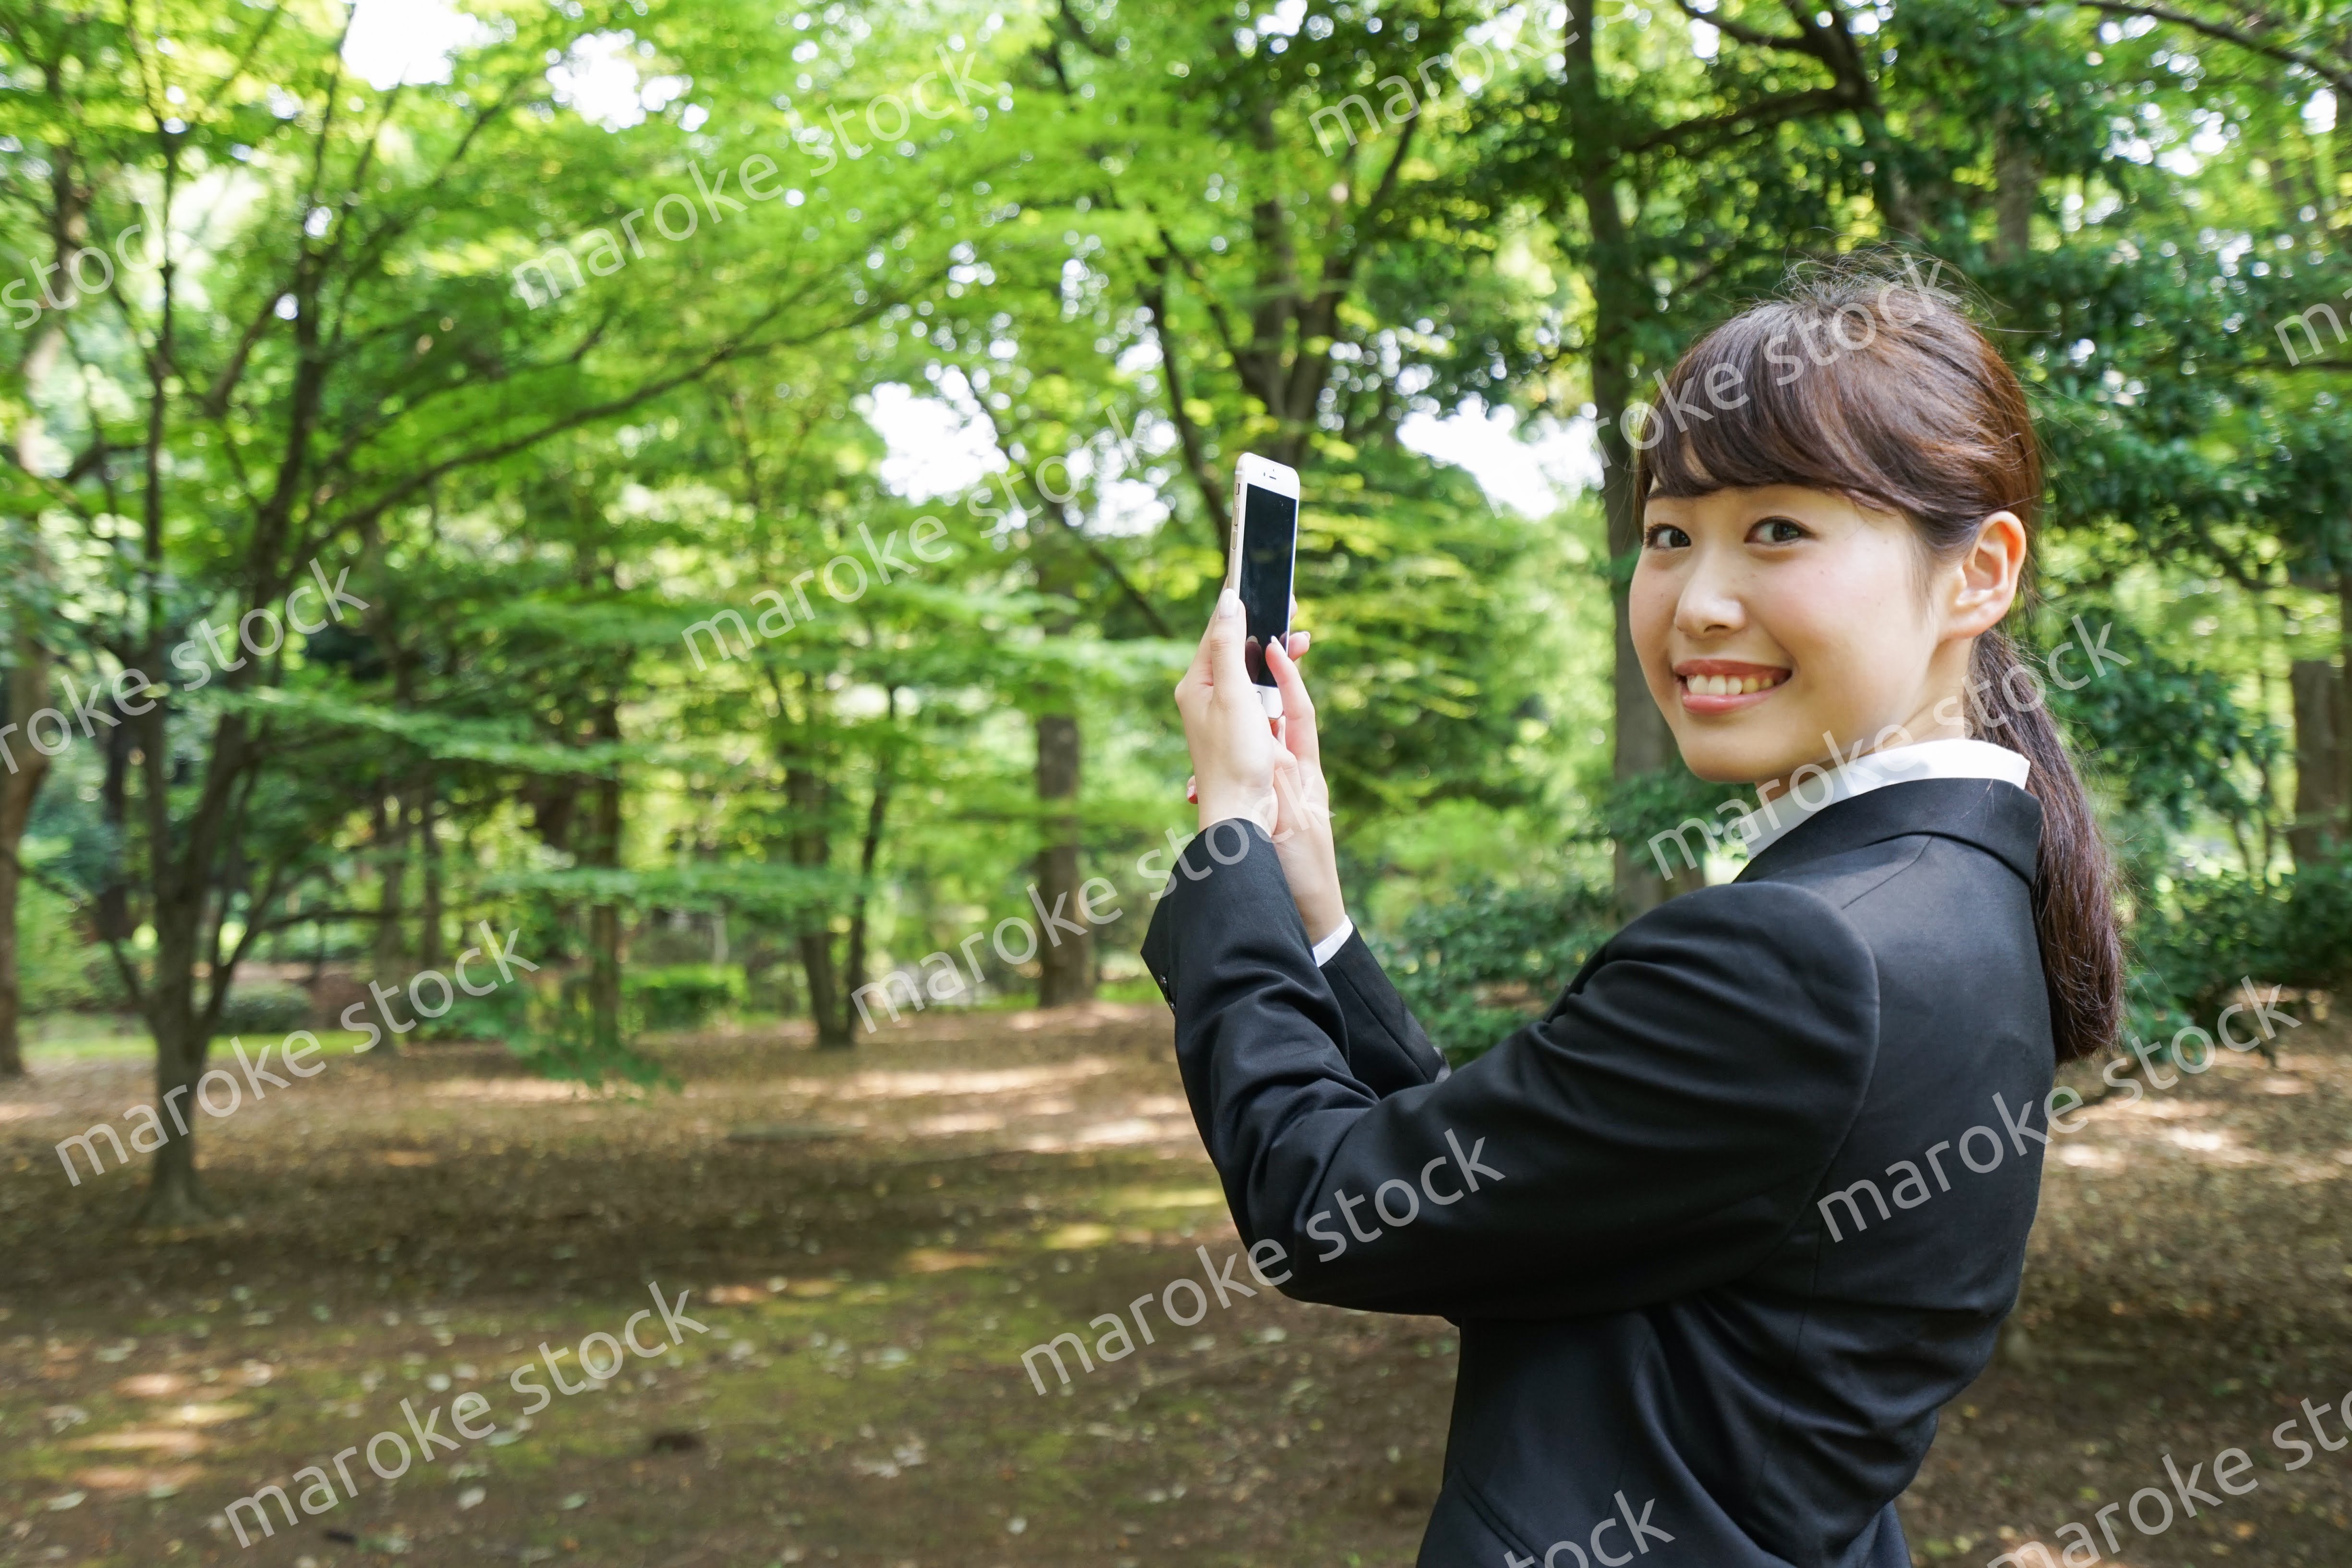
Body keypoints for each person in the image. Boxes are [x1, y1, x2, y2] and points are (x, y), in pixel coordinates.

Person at [1142, 263, 2123, 1568]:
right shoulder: (1963, 900)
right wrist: (1306, 898)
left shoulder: (1796, 952)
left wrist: (1224, 854)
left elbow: (1326, 1203)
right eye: (1669, 534)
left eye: (1776, 529)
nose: (1696, 600)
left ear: (1975, 575)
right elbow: (1525, 1184)